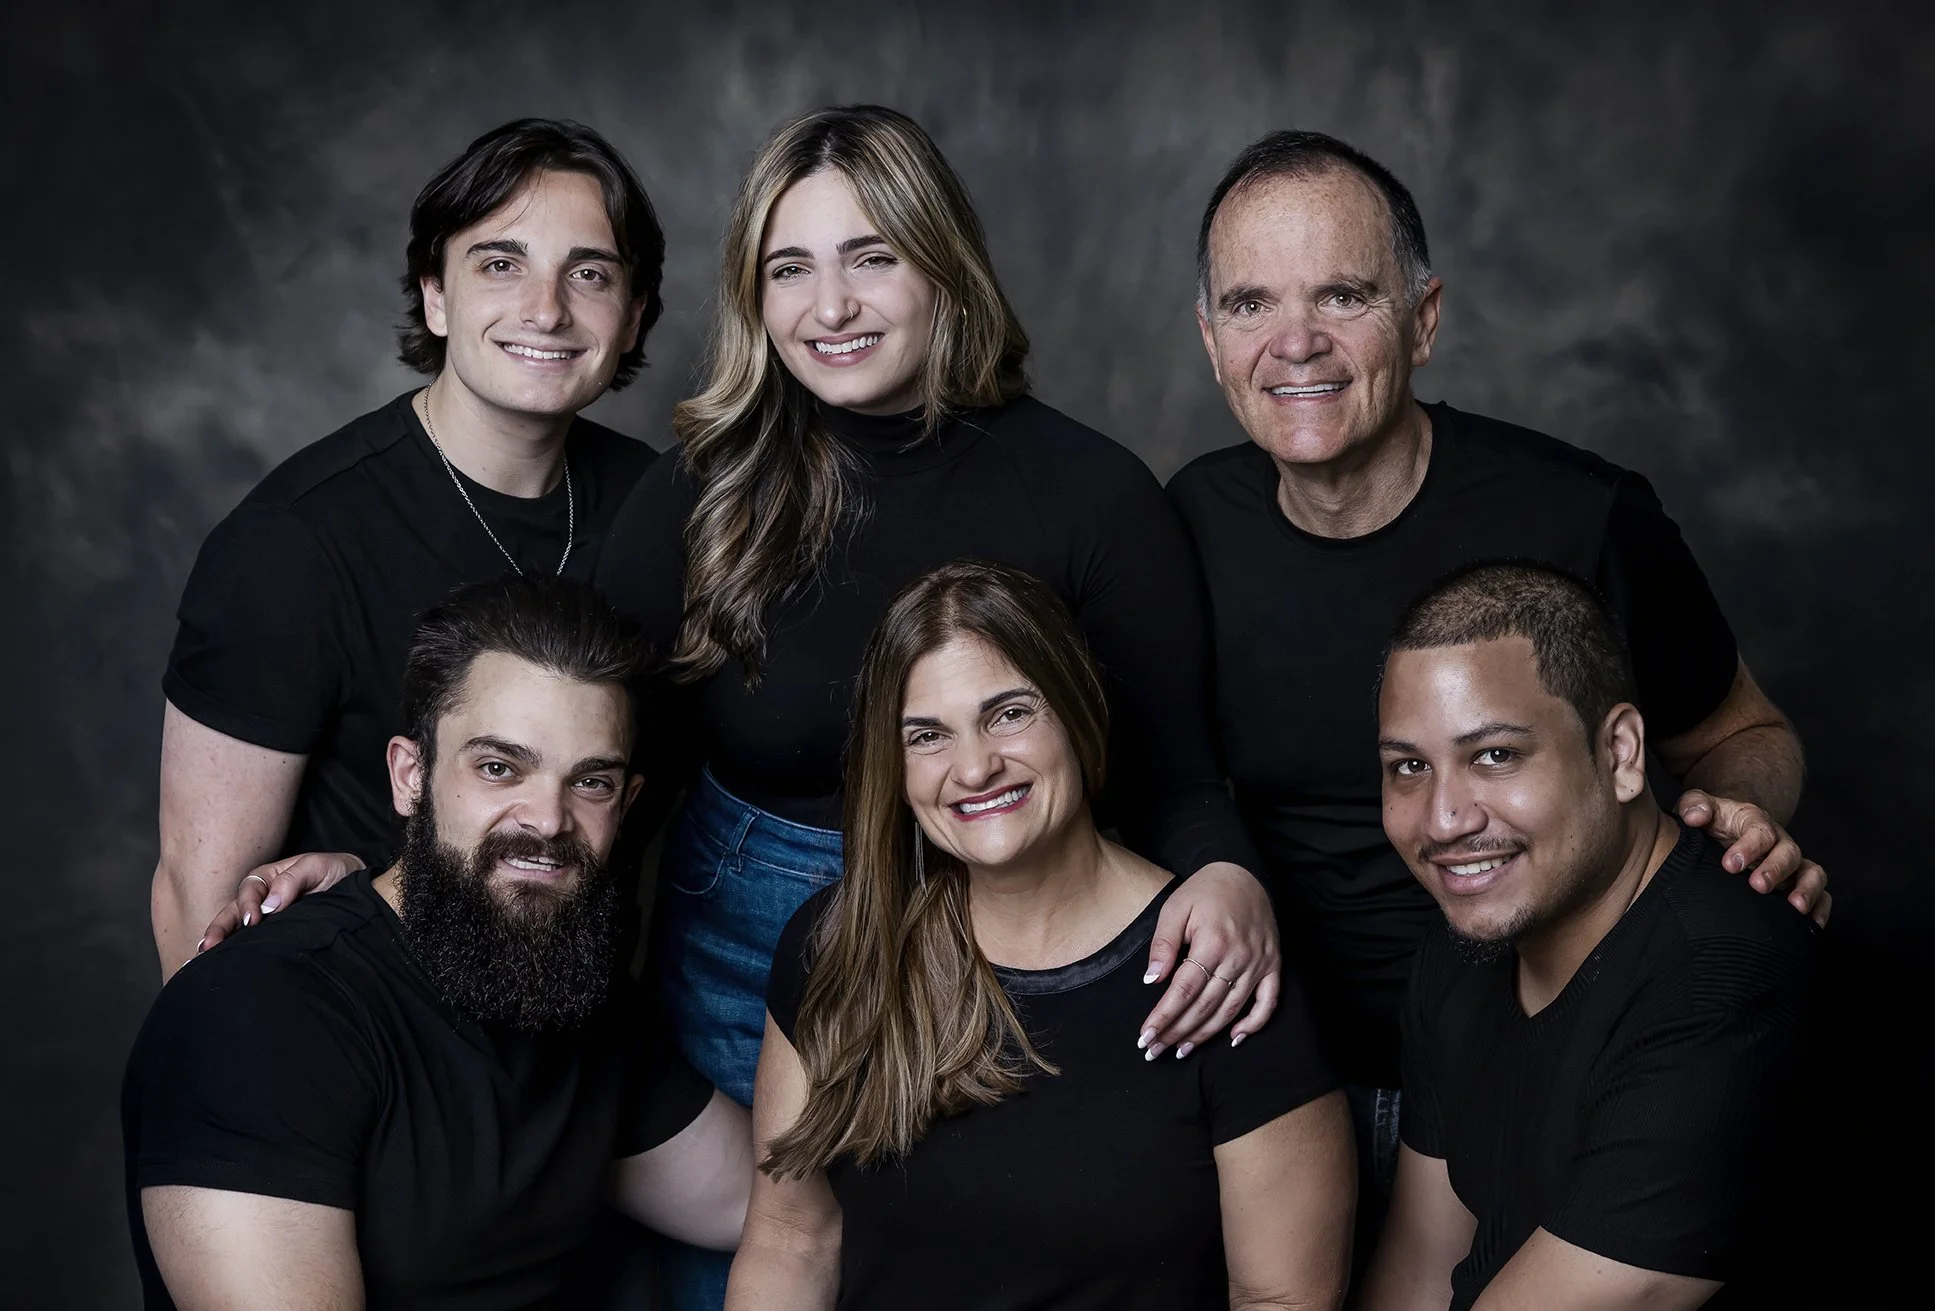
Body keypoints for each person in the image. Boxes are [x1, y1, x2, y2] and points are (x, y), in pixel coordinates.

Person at [594, 105, 1283, 1306]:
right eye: (790, 269)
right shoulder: (702, 495)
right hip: (748, 947)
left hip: (1022, 946)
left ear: (941, 262)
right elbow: (592, 769)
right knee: (759, 1267)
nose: (831, 306)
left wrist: (1226, 878)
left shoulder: (1092, 496)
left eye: (872, 256)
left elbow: (1178, 777)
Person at [1165, 130, 1828, 1246]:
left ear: (1424, 319)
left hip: (1535, 1073)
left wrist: (1744, 817)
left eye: (1343, 295)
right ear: (1210, 340)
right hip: (1270, 1088)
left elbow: (1744, 733)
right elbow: (1164, 781)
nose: (1295, 343)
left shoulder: (1581, 516)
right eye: (1249, 305)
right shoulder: (1188, 524)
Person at [728, 560, 1354, 1310]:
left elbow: (1281, 1298)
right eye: (927, 734)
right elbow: (791, 1242)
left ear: (1075, 707)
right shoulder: (836, 949)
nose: (975, 765)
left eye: (1009, 713)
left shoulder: (1218, 972)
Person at [123, 575, 753, 1309]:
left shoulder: (573, 982)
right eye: (498, 767)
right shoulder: (258, 1017)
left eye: (591, 782)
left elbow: (770, 1207)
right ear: (409, 776)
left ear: (628, 802)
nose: (548, 818)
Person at [153, 117, 664, 976]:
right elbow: (197, 903)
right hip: (371, 1028)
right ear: (435, 293)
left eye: (590, 274)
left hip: (590, 1028)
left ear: (635, 313)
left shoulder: (663, 507)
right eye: (501, 264)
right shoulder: (293, 542)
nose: (547, 308)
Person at [1357, 563, 1815, 1310]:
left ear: (1622, 752)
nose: (1443, 820)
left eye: (1495, 755)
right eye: (1408, 766)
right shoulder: (1460, 946)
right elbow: (1419, 1270)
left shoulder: (1726, 981)